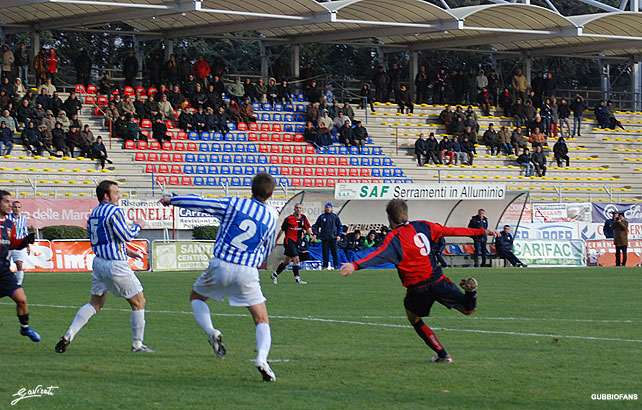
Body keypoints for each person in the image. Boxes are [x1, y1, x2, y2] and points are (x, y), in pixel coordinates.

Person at [340, 199, 499, 363]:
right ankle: (471, 293)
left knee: (413, 317)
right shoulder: (424, 225)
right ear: (406, 213)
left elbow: (378, 255)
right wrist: (482, 232)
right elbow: (452, 230)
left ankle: (443, 354)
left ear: (389, 217)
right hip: (438, 280)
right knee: (468, 310)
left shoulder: (394, 237)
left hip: (417, 288)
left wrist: (355, 265)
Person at [159, 173, 278, 382]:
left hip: (220, 264)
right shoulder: (270, 218)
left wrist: (172, 200)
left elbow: (201, 202)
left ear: (251, 188)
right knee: (261, 318)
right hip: (247, 270)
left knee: (196, 297)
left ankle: (211, 330)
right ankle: (261, 359)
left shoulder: (234, 204)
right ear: (270, 194)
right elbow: (267, 249)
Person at [55, 180, 151, 354]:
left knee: (96, 303)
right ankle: (137, 345)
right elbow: (126, 235)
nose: (119, 196)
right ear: (106, 195)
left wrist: (129, 252)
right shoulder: (114, 211)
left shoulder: (94, 213)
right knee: (139, 302)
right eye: (116, 192)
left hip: (99, 263)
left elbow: (107, 239)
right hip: (115, 265)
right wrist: (139, 225)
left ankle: (70, 333)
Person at [0, 190, 39, 341]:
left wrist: (24, 242)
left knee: (21, 299)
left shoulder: (9, 224)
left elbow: (12, 244)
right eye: (6, 202)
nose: (10, 205)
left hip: (3, 269)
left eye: (11, 202)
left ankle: (25, 328)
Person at [271, 203, 315, 285]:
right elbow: (282, 230)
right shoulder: (289, 219)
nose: (298, 209)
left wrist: (310, 235)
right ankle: (297, 278)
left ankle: (275, 274)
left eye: (300, 208)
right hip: (289, 241)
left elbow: (307, 228)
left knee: (287, 262)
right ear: (294, 209)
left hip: (296, 242)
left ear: (301, 210)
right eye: (297, 208)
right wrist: (276, 240)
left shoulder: (303, 218)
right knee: (296, 259)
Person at [313, 203, 343, 270]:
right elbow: (316, 226)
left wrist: (338, 235)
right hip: (325, 238)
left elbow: (340, 226)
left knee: (334, 252)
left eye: (329, 207)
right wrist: (315, 234)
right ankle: (325, 266)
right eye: (327, 207)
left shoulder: (335, 216)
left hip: (333, 238)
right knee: (325, 253)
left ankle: (336, 266)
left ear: (331, 208)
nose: (328, 208)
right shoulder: (322, 217)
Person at [7, 201, 29, 286]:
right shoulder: (7, 218)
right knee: (5, 265)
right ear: (12, 208)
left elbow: (25, 232)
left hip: (18, 245)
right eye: (15, 207)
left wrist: (27, 245)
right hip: (7, 245)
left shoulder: (23, 219)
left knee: (19, 263)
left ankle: (18, 283)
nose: (17, 209)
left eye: (18, 207)